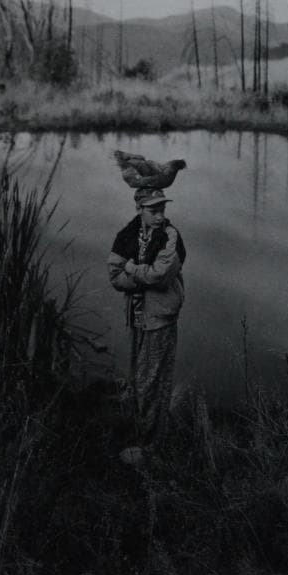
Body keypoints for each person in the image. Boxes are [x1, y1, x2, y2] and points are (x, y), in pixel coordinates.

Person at [107, 187, 186, 465]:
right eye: (153, 210)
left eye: (162, 209)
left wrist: (133, 270)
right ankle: (143, 439)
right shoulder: (127, 234)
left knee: (153, 382)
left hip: (159, 318)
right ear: (139, 208)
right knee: (138, 380)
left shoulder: (171, 236)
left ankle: (152, 448)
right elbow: (114, 275)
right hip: (136, 318)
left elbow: (159, 277)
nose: (160, 215)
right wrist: (136, 275)